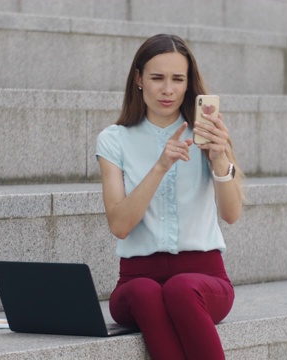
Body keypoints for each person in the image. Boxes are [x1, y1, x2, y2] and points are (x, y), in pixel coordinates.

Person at [95, 34, 244, 360]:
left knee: (180, 289)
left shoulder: (207, 131)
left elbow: (232, 214)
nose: (168, 89)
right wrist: (161, 165)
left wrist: (220, 158)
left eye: (178, 79)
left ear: (189, 83)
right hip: (136, 280)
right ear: (138, 79)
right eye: (157, 78)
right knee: (147, 292)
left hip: (204, 280)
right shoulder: (113, 140)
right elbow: (120, 225)